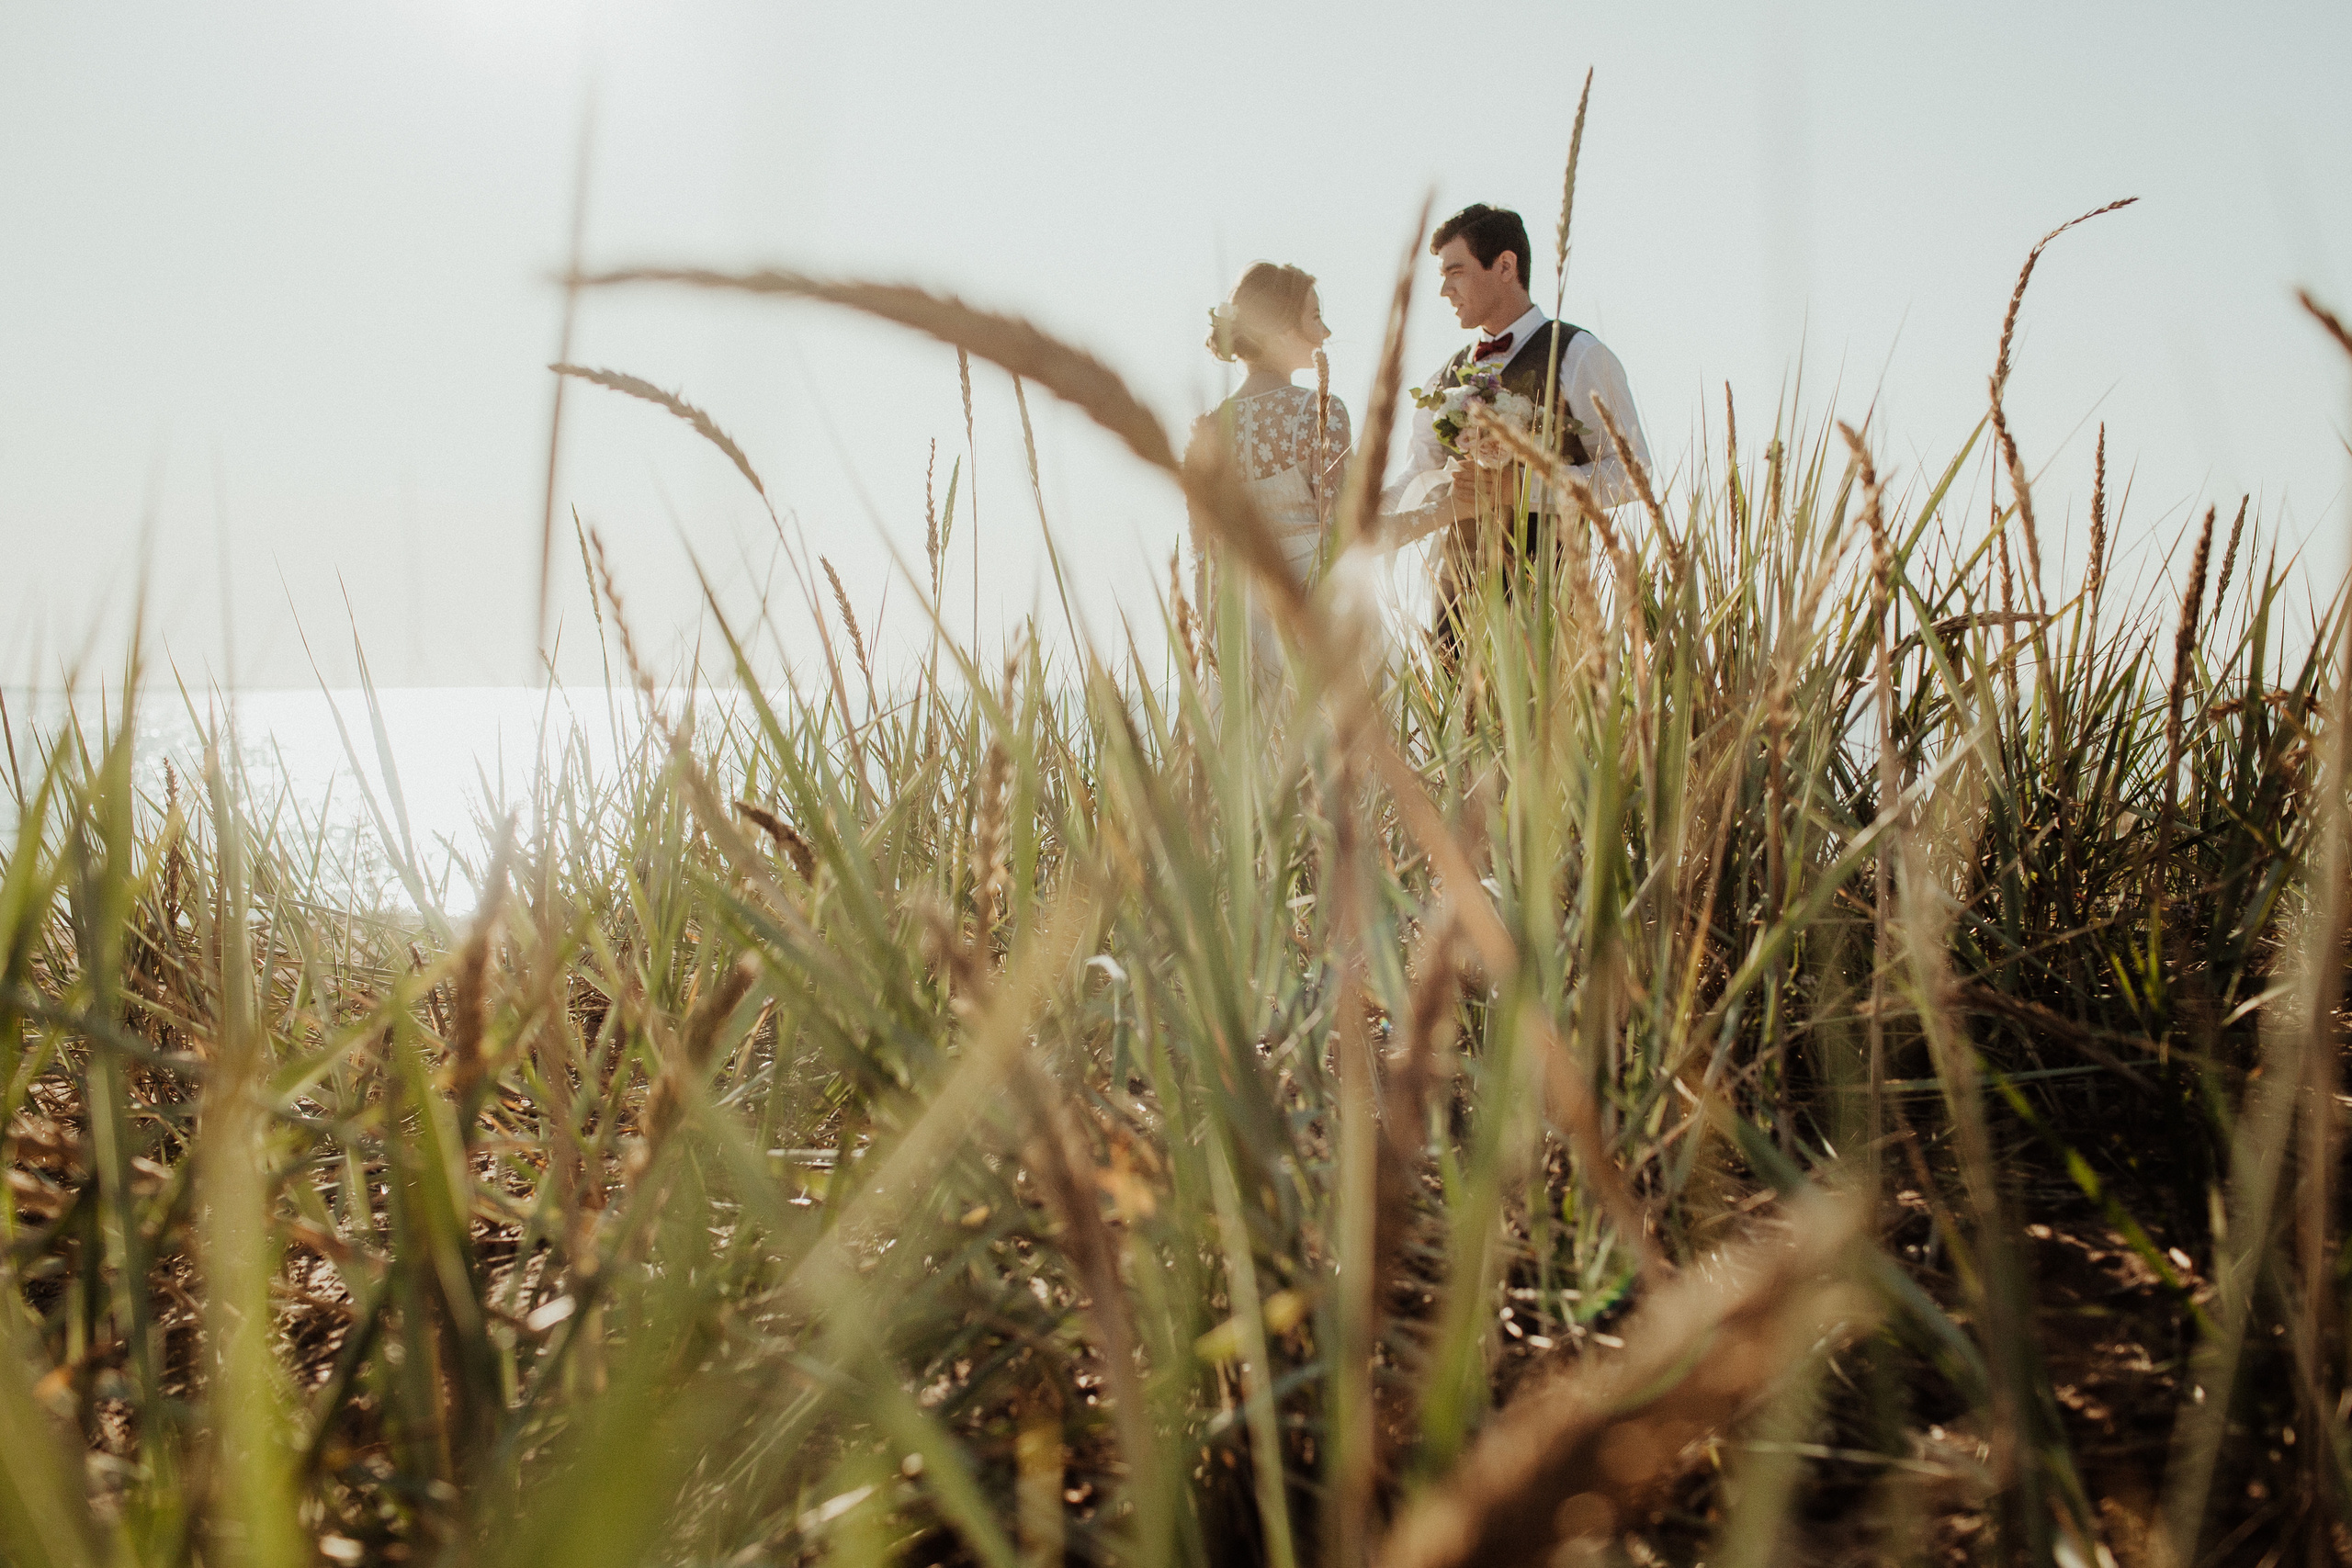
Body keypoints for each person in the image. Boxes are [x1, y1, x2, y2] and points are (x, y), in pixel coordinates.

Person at [1380, 203, 1650, 650]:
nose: (1445, 290)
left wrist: (1525, 489)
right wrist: (1354, 511)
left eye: (1456, 271)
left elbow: (1631, 475)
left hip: (1549, 593)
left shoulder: (1579, 354)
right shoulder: (1443, 378)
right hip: (1455, 601)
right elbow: (1419, 474)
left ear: (1505, 266)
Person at [1183, 263, 1351, 588]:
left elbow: (1204, 559)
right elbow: (1340, 534)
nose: (1326, 332)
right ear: (1280, 329)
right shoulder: (1317, 412)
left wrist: (1213, 634)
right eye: (1315, 316)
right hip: (1308, 608)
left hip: (1236, 620)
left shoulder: (1206, 429)